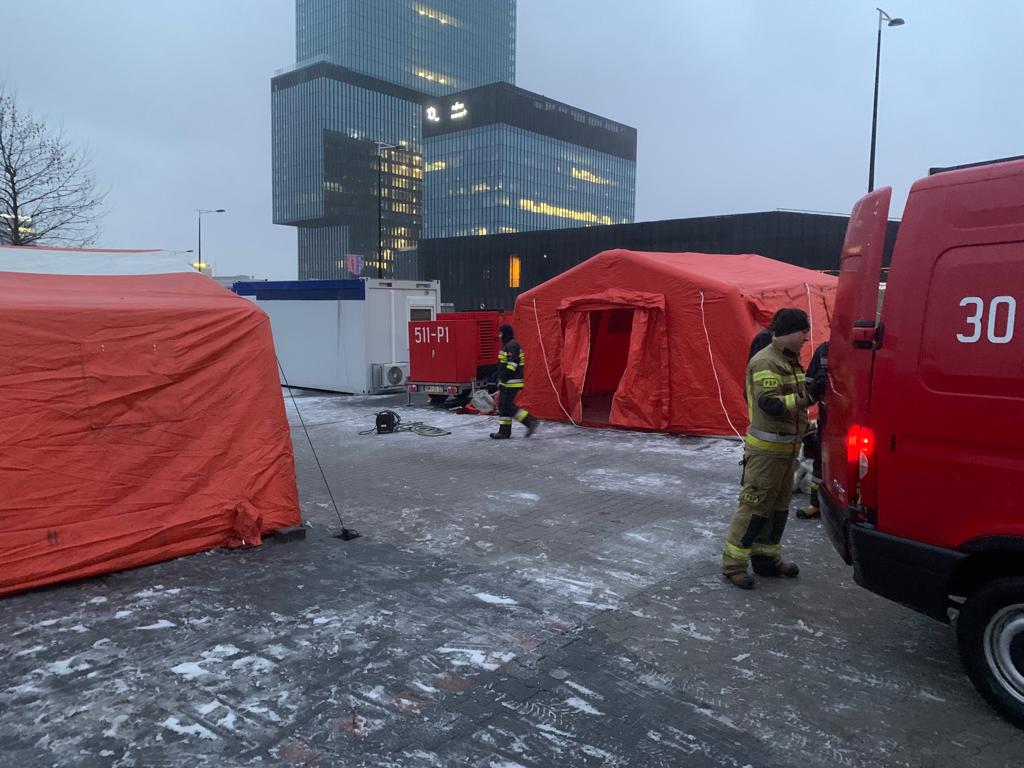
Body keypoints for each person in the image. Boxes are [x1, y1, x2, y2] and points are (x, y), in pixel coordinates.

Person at [722, 308, 812, 589]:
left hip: (786, 451)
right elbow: (770, 404)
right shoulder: (766, 361)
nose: (806, 338)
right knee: (754, 507)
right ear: (789, 332)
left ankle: (767, 560)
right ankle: (733, 565)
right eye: (803, 332)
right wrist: (806, 397)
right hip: (766, 453)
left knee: (778, 509)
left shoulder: (790, 361)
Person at [797, 341, 829, 519]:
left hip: (855, 417)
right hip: (829, 419)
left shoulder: (861, 350)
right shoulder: (824, 350)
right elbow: (808, 385)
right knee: (820, 462)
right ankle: (815, 503)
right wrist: (816, 386)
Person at [490, 324, 539, 439]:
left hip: (511, 382)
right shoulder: (508, 345)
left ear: (505, 333)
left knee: (507, 406)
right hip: (507, 381)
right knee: (503, 406)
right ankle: (504, 432)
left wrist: (504, 377)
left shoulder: (512, 345)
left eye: (501, 333)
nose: (499, 336)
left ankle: (529, 421)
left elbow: (513, 363)